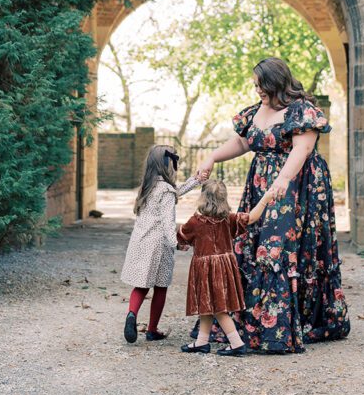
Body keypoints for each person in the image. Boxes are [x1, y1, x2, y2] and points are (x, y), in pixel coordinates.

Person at [197, 57, 350, 353]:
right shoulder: (256, 112)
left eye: (260, 84)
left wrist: (282, 180)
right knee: (251, 243)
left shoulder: (302, 111)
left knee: (278, 247)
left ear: (275, 82)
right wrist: (212, 157)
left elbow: (302, 149)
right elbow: (244, 143)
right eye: (255, 85)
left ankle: (279, 328)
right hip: (260, 185)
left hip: (296, 186)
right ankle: (247, 322)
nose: (256, 90)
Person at [177, 179, 272, 356]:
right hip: (225, 267)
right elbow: (251, 217)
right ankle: (202, 342)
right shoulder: (228, 219)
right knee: (207, 305)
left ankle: (237, 344)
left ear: (202, 197)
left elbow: (181, 238)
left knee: (218, 308)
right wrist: (265, 199)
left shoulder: (195, 222)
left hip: (205, 269)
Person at [120, 144, 202, 344]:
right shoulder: (166, 190)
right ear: (168, 165)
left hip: (141, 242)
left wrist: (196, 180)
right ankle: (152, 329)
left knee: (141, 284)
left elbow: (175, 192)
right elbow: (167, 222)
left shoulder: (147, 187)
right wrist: (176, 243)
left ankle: (131, 314)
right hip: (159, 245)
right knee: (160, 287)